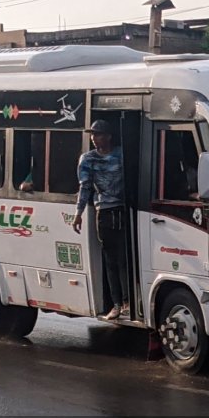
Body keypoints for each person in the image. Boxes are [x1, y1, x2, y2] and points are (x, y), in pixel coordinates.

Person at [73, 119, 129, 320]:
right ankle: (116, 303)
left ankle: (126, 301)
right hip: (104, 212)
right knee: (110, 259)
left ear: (109, 137)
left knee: (124, 258)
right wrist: (78, 214)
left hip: (123, 210)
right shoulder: (87, 159)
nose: (95, 138)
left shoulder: (122, 154)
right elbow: (85, 187)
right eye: (93, 135)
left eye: (99, 134)